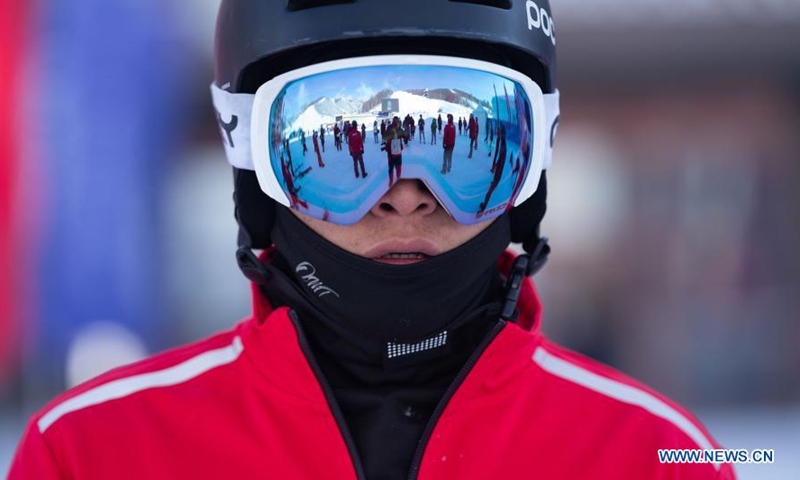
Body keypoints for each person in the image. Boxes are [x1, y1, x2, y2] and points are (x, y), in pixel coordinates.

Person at [10, 2, 736, 480]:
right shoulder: (95, 454)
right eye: (336, 148)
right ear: (253, 167)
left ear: (532, 168)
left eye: (467, 147)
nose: (405, 194)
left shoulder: (651, 455)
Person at [384, 116, 406, 187]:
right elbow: (406, 136)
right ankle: (398, 179)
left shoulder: (389, 128)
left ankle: (391, 182)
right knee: (398, 166)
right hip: (397, 152)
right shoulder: (399, 129)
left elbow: (384, 138)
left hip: (391, 152)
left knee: (391, 167)